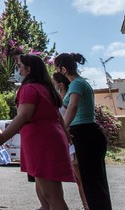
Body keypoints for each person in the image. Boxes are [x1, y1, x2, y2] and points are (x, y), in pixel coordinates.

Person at [0, 54, 75, 210]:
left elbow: (24, 115)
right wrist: (65, 133)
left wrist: (2, 138)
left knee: (52, 195)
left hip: (41, 140)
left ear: (28, 70)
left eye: (19, 67)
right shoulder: (45, 89)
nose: (17, 70)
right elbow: (57, 116)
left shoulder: (29, 88)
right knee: (46, 192)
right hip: (47, 138)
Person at [54, 53, 112, 210]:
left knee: (93, 181)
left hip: (86, 133)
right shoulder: (77, 84)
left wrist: (63, 129)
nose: (56, 72)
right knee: (91, 180)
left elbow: (72, 107)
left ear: (63, 69)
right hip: (85, 133)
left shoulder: (77, 84)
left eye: (57, 69)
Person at [51, 72, 88, 210]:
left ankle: (87, 205)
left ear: (60, 85)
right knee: (79, 180)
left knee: (82, 179)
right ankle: (85, 205)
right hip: (67, 142)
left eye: (53, 82)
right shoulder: (62, 100)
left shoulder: (65, 101)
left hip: (71, 141)